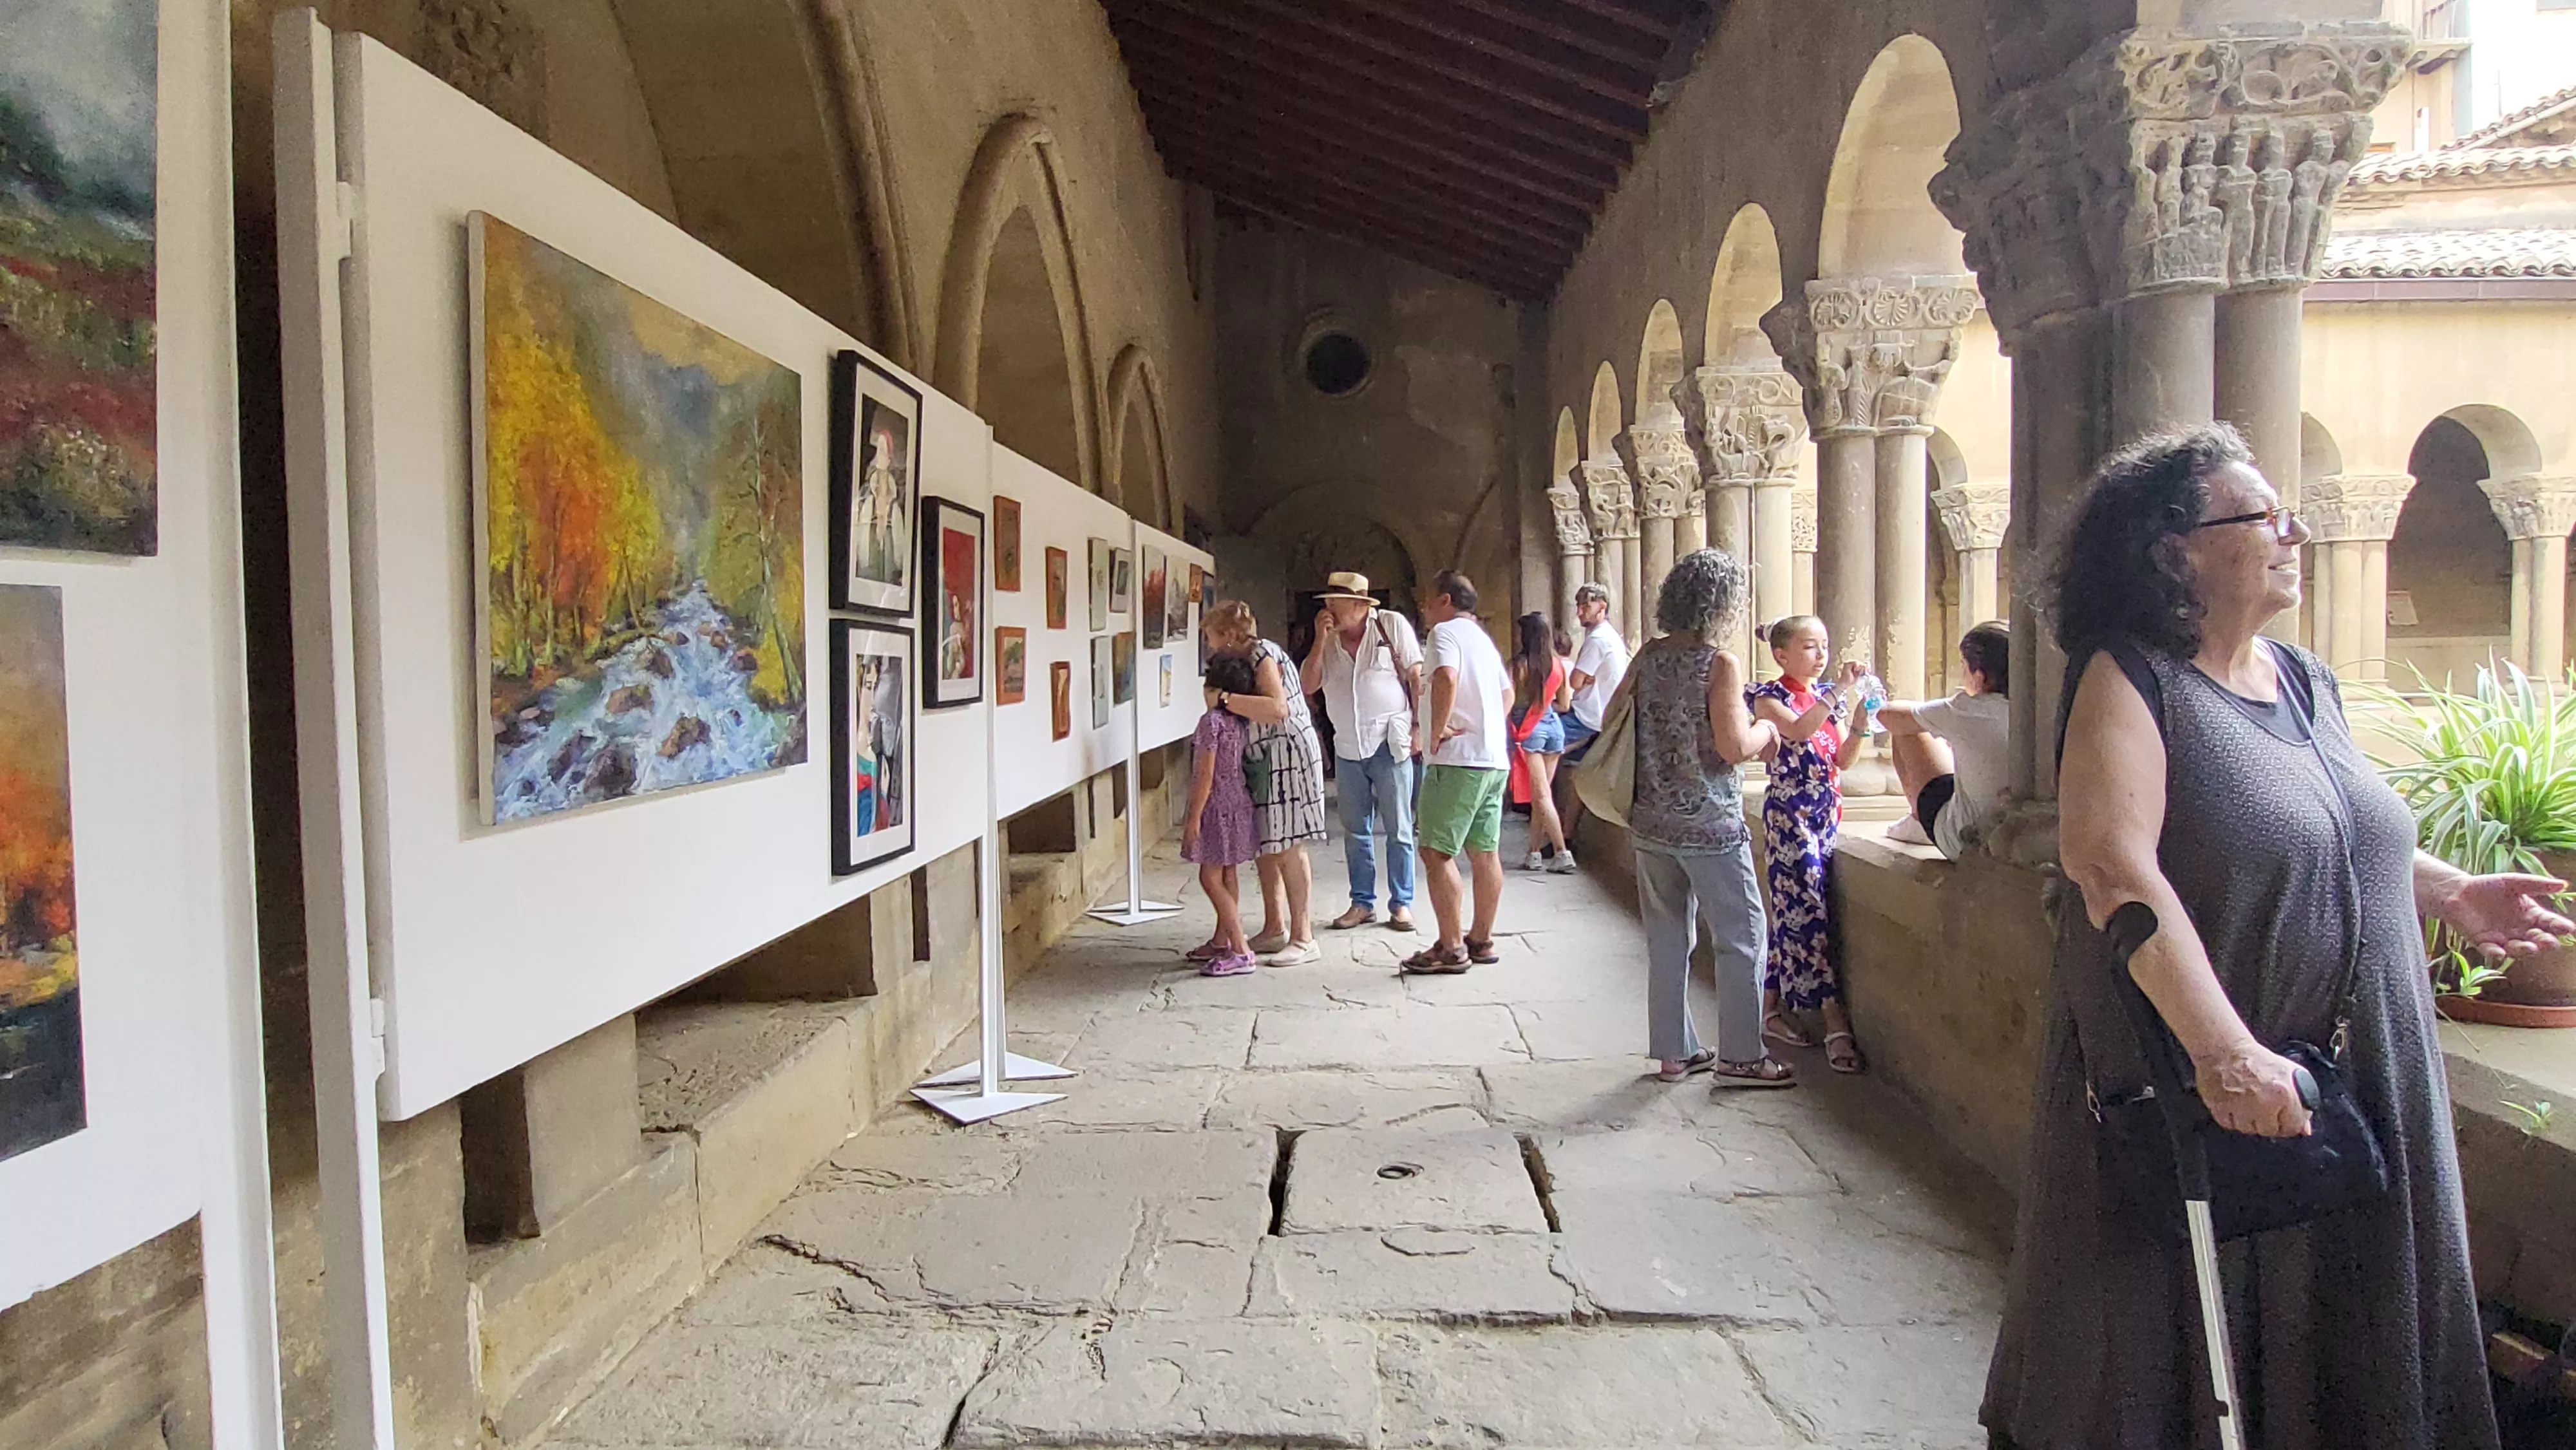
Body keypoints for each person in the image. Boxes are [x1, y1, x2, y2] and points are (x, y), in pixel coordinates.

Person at [1984, 423, 2571, 1450]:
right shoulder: (2131, 679)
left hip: (2356, 1070)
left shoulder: (2303, 678)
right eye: (2264, 516)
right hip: (2227, 1079)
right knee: (2184, 1340)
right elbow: (2111, 865)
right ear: (2176, 548)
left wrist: (2449, 892)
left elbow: (2327, 829)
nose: (2294, 531)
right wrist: (2228, 1056)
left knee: (2352, 1323)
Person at [1623, 551, 1794, 1088]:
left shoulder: (1648, 656)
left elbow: (1611, 718)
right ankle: (1742, 1056)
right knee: (1743, 935)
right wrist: (1768, 729)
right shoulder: (1719, 663)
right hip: (1711, 826)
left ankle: (1674, 1053)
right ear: (1724, 606)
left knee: (1668, 937)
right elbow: (1734, 744)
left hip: (1651, 822)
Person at [1748, 616, 1872, 1075]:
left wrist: (1859, 724)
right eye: (1809, 647)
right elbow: (1797, 732)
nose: (1820, 655)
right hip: (1790, 814)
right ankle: (1833, 1020)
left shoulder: (1824, 703)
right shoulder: (1768, 697)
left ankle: (1770, 1011)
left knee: (1793, 911)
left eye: (1824, 645)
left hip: (1825, 810)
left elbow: (1841, 758)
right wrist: (1839, 690)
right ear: (1782, 655)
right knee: (1808, 910)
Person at [1201, 600, 1326, 966]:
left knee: (1288, 844)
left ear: (1229, 636)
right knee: (1268, 844)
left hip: (1286, 754)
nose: (1209, 647)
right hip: (1265, 758)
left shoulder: (1261, 653)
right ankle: (1275, 926)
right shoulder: (1248, 657)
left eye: (1210, 638)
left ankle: (1304, 936)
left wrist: (1224, 700)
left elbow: (1277, 708)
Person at [1402, 570, 1514, 974]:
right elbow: (1507, 692)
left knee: (1436, 850)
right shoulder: (1483, 639)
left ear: (1445, 601)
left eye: (1427, 600)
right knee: (1484, 851)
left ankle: (1451, 947)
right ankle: (1481, 938)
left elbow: (1446, 677)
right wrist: (1488, 729)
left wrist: (1435, 732)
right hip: (1491, 759)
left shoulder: (1444, 634)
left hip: (1457, 760)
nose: (1424, 608)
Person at [1298, 571, 1423, 932]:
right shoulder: (1328, 639)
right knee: (1355, 830)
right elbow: (1309, 684)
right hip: (1348, 746)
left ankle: (1401, 903)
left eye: (1335, 603)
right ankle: (1362, 902)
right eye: (1326, 604)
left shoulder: (1391, 626)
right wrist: (1320, 642)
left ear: (1359, 605)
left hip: (1389, 741)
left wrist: (1417, 727)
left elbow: (1415, 677)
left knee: (1399, 828)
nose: (1329, 610)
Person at [1876, 621, 2011, 860]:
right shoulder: (2044, 709)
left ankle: (1918, 820)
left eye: (1964, 666)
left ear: (1979, 677)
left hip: (1965, 840)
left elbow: (1888, 715)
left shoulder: (1969, 709)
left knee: (1907, 728)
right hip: (2026, 835)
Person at [1181, 654, 1263, 978]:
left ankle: (1241, 949)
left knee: (1209, 877)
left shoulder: (1210, 723)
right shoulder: (1239, 721)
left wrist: (1192, 819)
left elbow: (1204, 776)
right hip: (1239, 800)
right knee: (1228, 873)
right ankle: (1223, 939)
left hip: (1216, 805)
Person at [1558, 581, 1630, 845]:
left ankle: (1545, 832)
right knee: (1576, 777)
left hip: (1587, 718)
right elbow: (1581, 679)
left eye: (1586, 606)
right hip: (1598, 716)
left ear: (1603, 606)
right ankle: (1566, 837)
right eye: (1578, 606)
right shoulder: (1608, 636)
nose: (1580, 612)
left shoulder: (1599, 639)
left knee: (1530, 743)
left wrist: (1581, 678)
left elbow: (1575, 682)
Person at [1505, 610, 1573, 872]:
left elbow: (1509, 701)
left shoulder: (1519, 665)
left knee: (1542, 796)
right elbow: (1564, 704)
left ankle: (1561, 851)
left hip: (1529, 731)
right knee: (1541, 795)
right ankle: (1533, 853)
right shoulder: (1558, 665)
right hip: (1554, 728)